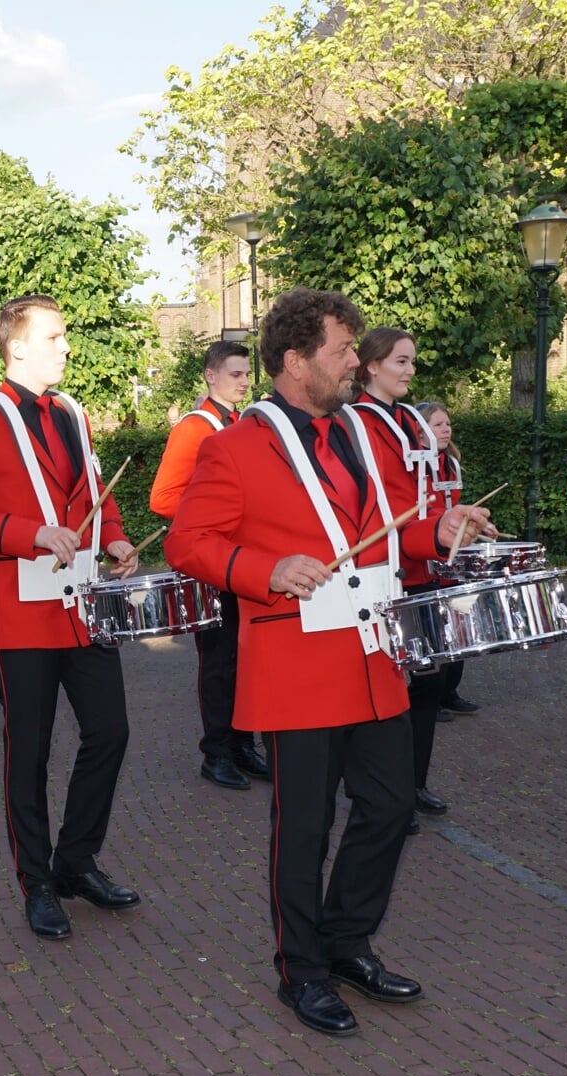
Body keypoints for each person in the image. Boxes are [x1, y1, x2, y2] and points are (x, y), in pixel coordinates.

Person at [166, 288, 495, 1036]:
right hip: (296, 666)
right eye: (342, 351)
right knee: (304, 826)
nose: (355, 362)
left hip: (372, 657)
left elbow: (390, 527)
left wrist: (439, 525)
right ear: (293, 361)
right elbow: (188, 543)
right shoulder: (234, 445)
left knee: (388, 807)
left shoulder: (358, 433)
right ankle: (301, 969)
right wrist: (264, 567)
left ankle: (347, 943)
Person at [0, 295, 143, 942]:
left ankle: (75, 860)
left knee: (109, 732)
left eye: (64, 334)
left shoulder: (73, 413)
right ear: (17, 346)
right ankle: (36, 881)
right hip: (21, 614)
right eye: (54, 336)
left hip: (80, 607)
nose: (66, 346)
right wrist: (25, 532)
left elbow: (92, 493)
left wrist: (112, 536)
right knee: (27, 752)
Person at [148, 340, 267, 787]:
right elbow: (161, 498)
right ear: (210, 376)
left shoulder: (242, 423)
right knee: (218, 662)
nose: (243, 382)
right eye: (234, 374)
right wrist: (221, 515)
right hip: (210, 564)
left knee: (246, 658)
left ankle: (242, 745)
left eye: (246, 374)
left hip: (241, 560)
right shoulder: (195, 428)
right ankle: (215, 752)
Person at [348, 328, 449, 819]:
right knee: (389, 688)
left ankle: (413, 783)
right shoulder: (355, 421)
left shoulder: (409, 418)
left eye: (412, 361)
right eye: (401, 361)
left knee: (427, 683)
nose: (410, 370)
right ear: (371, 366)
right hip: (385, 569)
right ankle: (381, 792)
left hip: (420, 560)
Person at [414, 400, 479, 720]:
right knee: (433, 629)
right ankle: (432, 695)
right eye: (437, 425)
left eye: (447, 424)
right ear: (420, 432)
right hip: (427, 551)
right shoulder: (412, 464)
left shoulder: (450, 462)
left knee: (459, 623)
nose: (446, 429)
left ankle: (450, 690)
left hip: (452, 553)